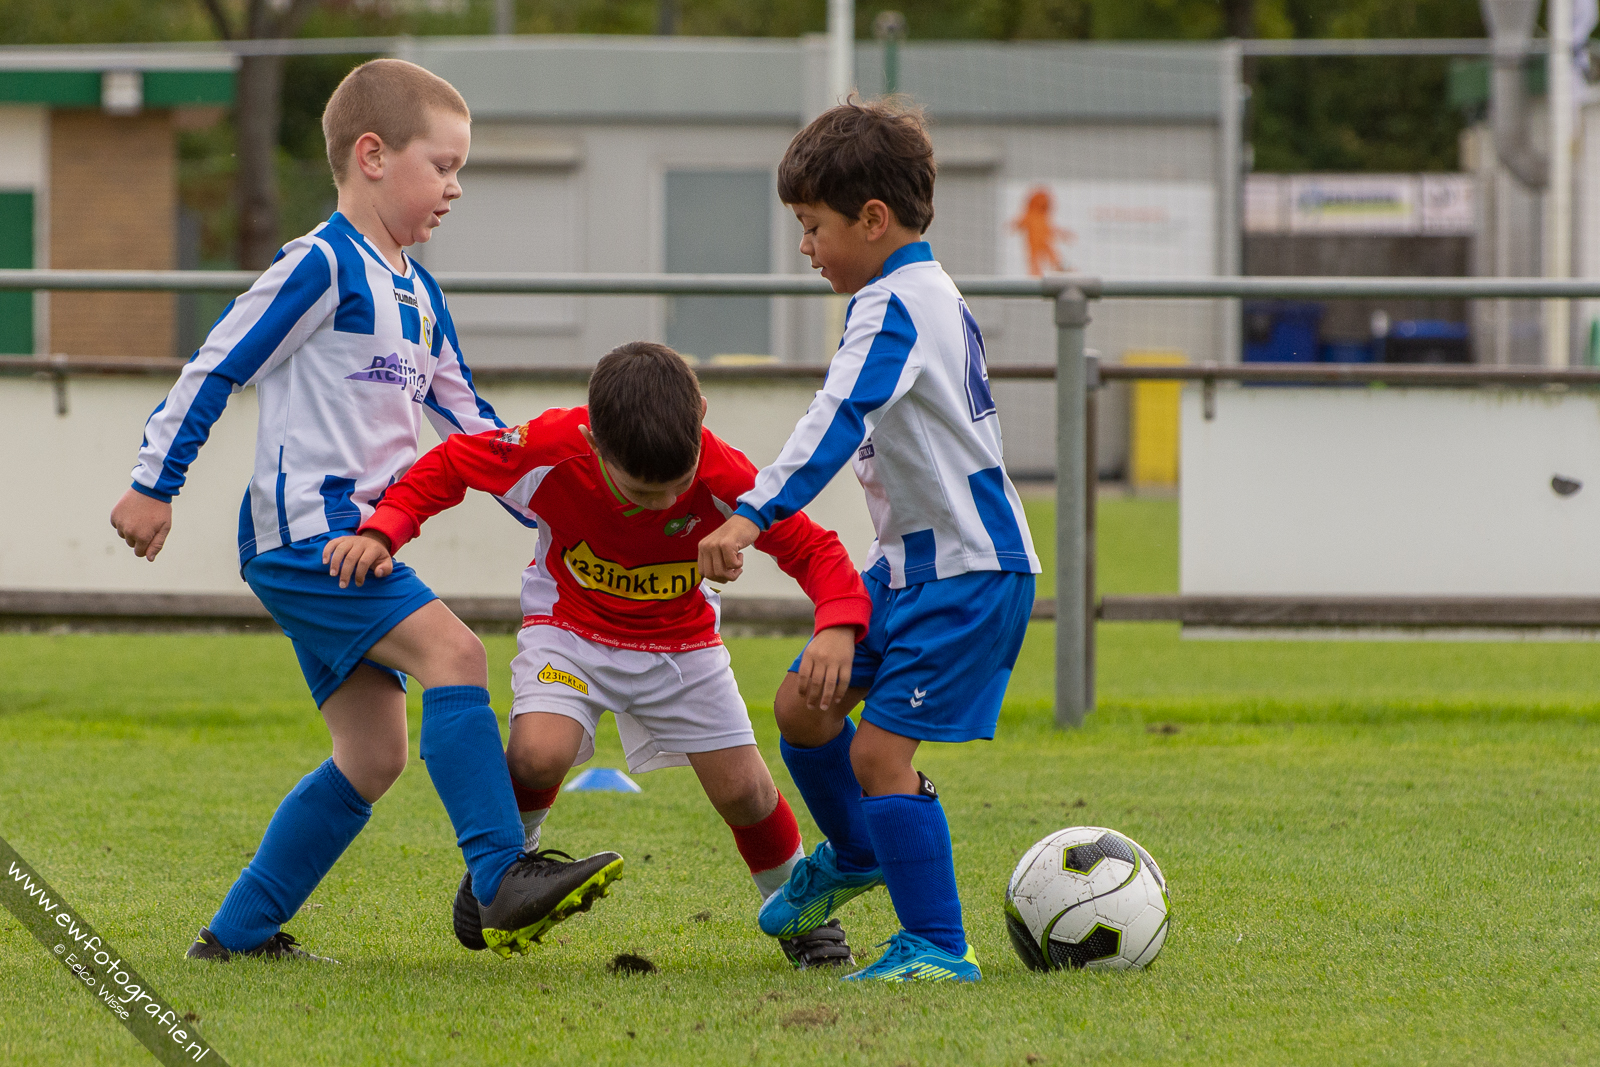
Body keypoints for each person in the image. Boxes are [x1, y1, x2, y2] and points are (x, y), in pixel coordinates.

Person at [108, 59, 614, 963]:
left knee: (374, 754)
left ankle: (236, 936)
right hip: (309, 535)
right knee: (456, 653)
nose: (456, 187)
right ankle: (501, 875)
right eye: (443, 165)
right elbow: (216, 364)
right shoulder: (320, 264)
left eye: (461, 170)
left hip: (355, 545)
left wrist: (572, 509)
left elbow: (478, 431)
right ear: (373, 156)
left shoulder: (420, 293)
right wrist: (156, 481)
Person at [325, 341, 872, 969]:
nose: (663, 504)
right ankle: (504, 872)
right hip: (569, 634)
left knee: (745, 791)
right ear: (593, 441)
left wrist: (837, 623)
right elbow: (451, 462)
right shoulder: (550, 446)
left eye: (678, 485)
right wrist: (385, 528)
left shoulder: (726, 475)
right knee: (537, 753)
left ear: (701, 417)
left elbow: (814, 548)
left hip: (683, 646)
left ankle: (801, 912)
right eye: (641, 490)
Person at [696, 99, 1040, 983]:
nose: (806, 247)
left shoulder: (894, 304)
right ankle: (856, 853)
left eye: (814, 227)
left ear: (873, 219)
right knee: (804, 707)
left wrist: (750, 513)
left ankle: (938, 945)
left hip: (967, 573)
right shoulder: (920, 293)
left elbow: (835, 417)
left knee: (878, 753)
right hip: (910, 569)